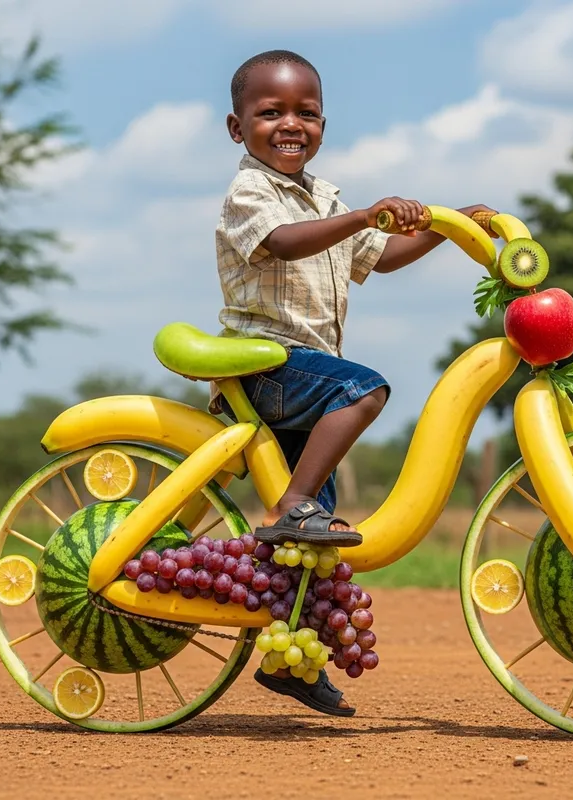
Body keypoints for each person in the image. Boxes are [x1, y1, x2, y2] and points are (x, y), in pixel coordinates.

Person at [211, 49, 496, 715]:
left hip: (303, 377)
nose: (291, 124)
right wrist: (364, 215)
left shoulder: (328, 197)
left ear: (323, 123)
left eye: (306, 113)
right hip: (269, 366)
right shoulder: (250, 192)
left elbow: (383, 257)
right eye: (270, 112)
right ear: (236, 127)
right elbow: (282, 243)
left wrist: (447, 230)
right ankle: (288, 507)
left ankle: (292, 660)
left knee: (315, 553)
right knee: (363, 389)